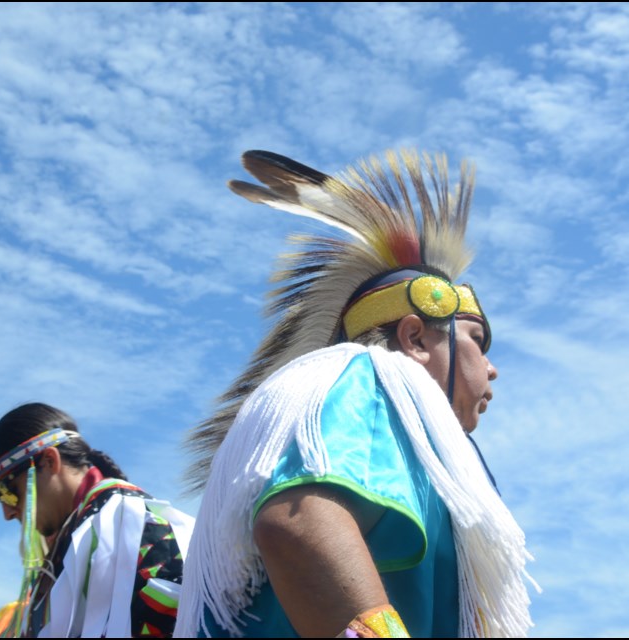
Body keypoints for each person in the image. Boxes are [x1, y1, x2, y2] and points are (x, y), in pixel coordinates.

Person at [176, 150, 537, 637]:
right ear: (414, 339)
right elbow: (299, 523)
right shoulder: (366, 379)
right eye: (476, 339)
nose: (492, 369)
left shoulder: (415, 437)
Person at [0, 402, 194, 638]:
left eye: (8, 492)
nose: (8, 513)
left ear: (50, 461)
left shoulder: (131, 524)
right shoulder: (66, 551)